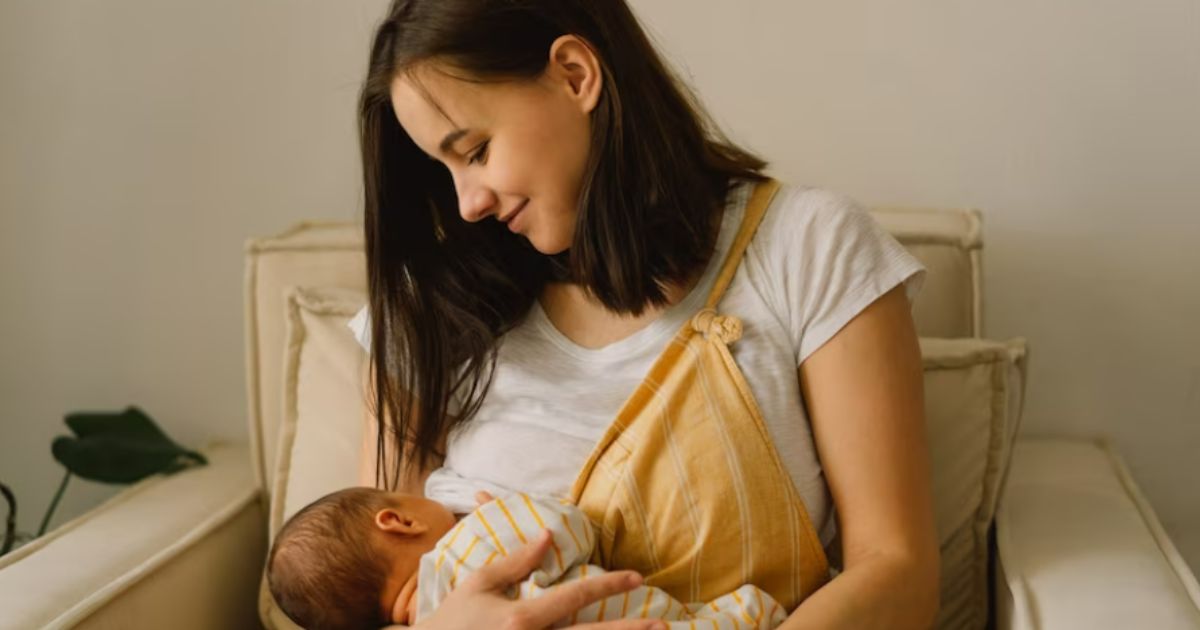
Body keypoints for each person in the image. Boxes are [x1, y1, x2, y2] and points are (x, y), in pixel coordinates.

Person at [349, 1, 941, 628]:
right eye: (444, 172)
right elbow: (365, 587)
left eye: (476, 150)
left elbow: (897, 572)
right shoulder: (431, 306)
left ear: (575, 74)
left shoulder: (808, 246)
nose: (467, 203)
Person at [266, 487, 786, 629]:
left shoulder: (431, 618)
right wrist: (509, 513)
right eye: (399, 496)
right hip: (637, 616)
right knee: (742, 613)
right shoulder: (467, 545)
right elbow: (569, 527)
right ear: (399, 522)